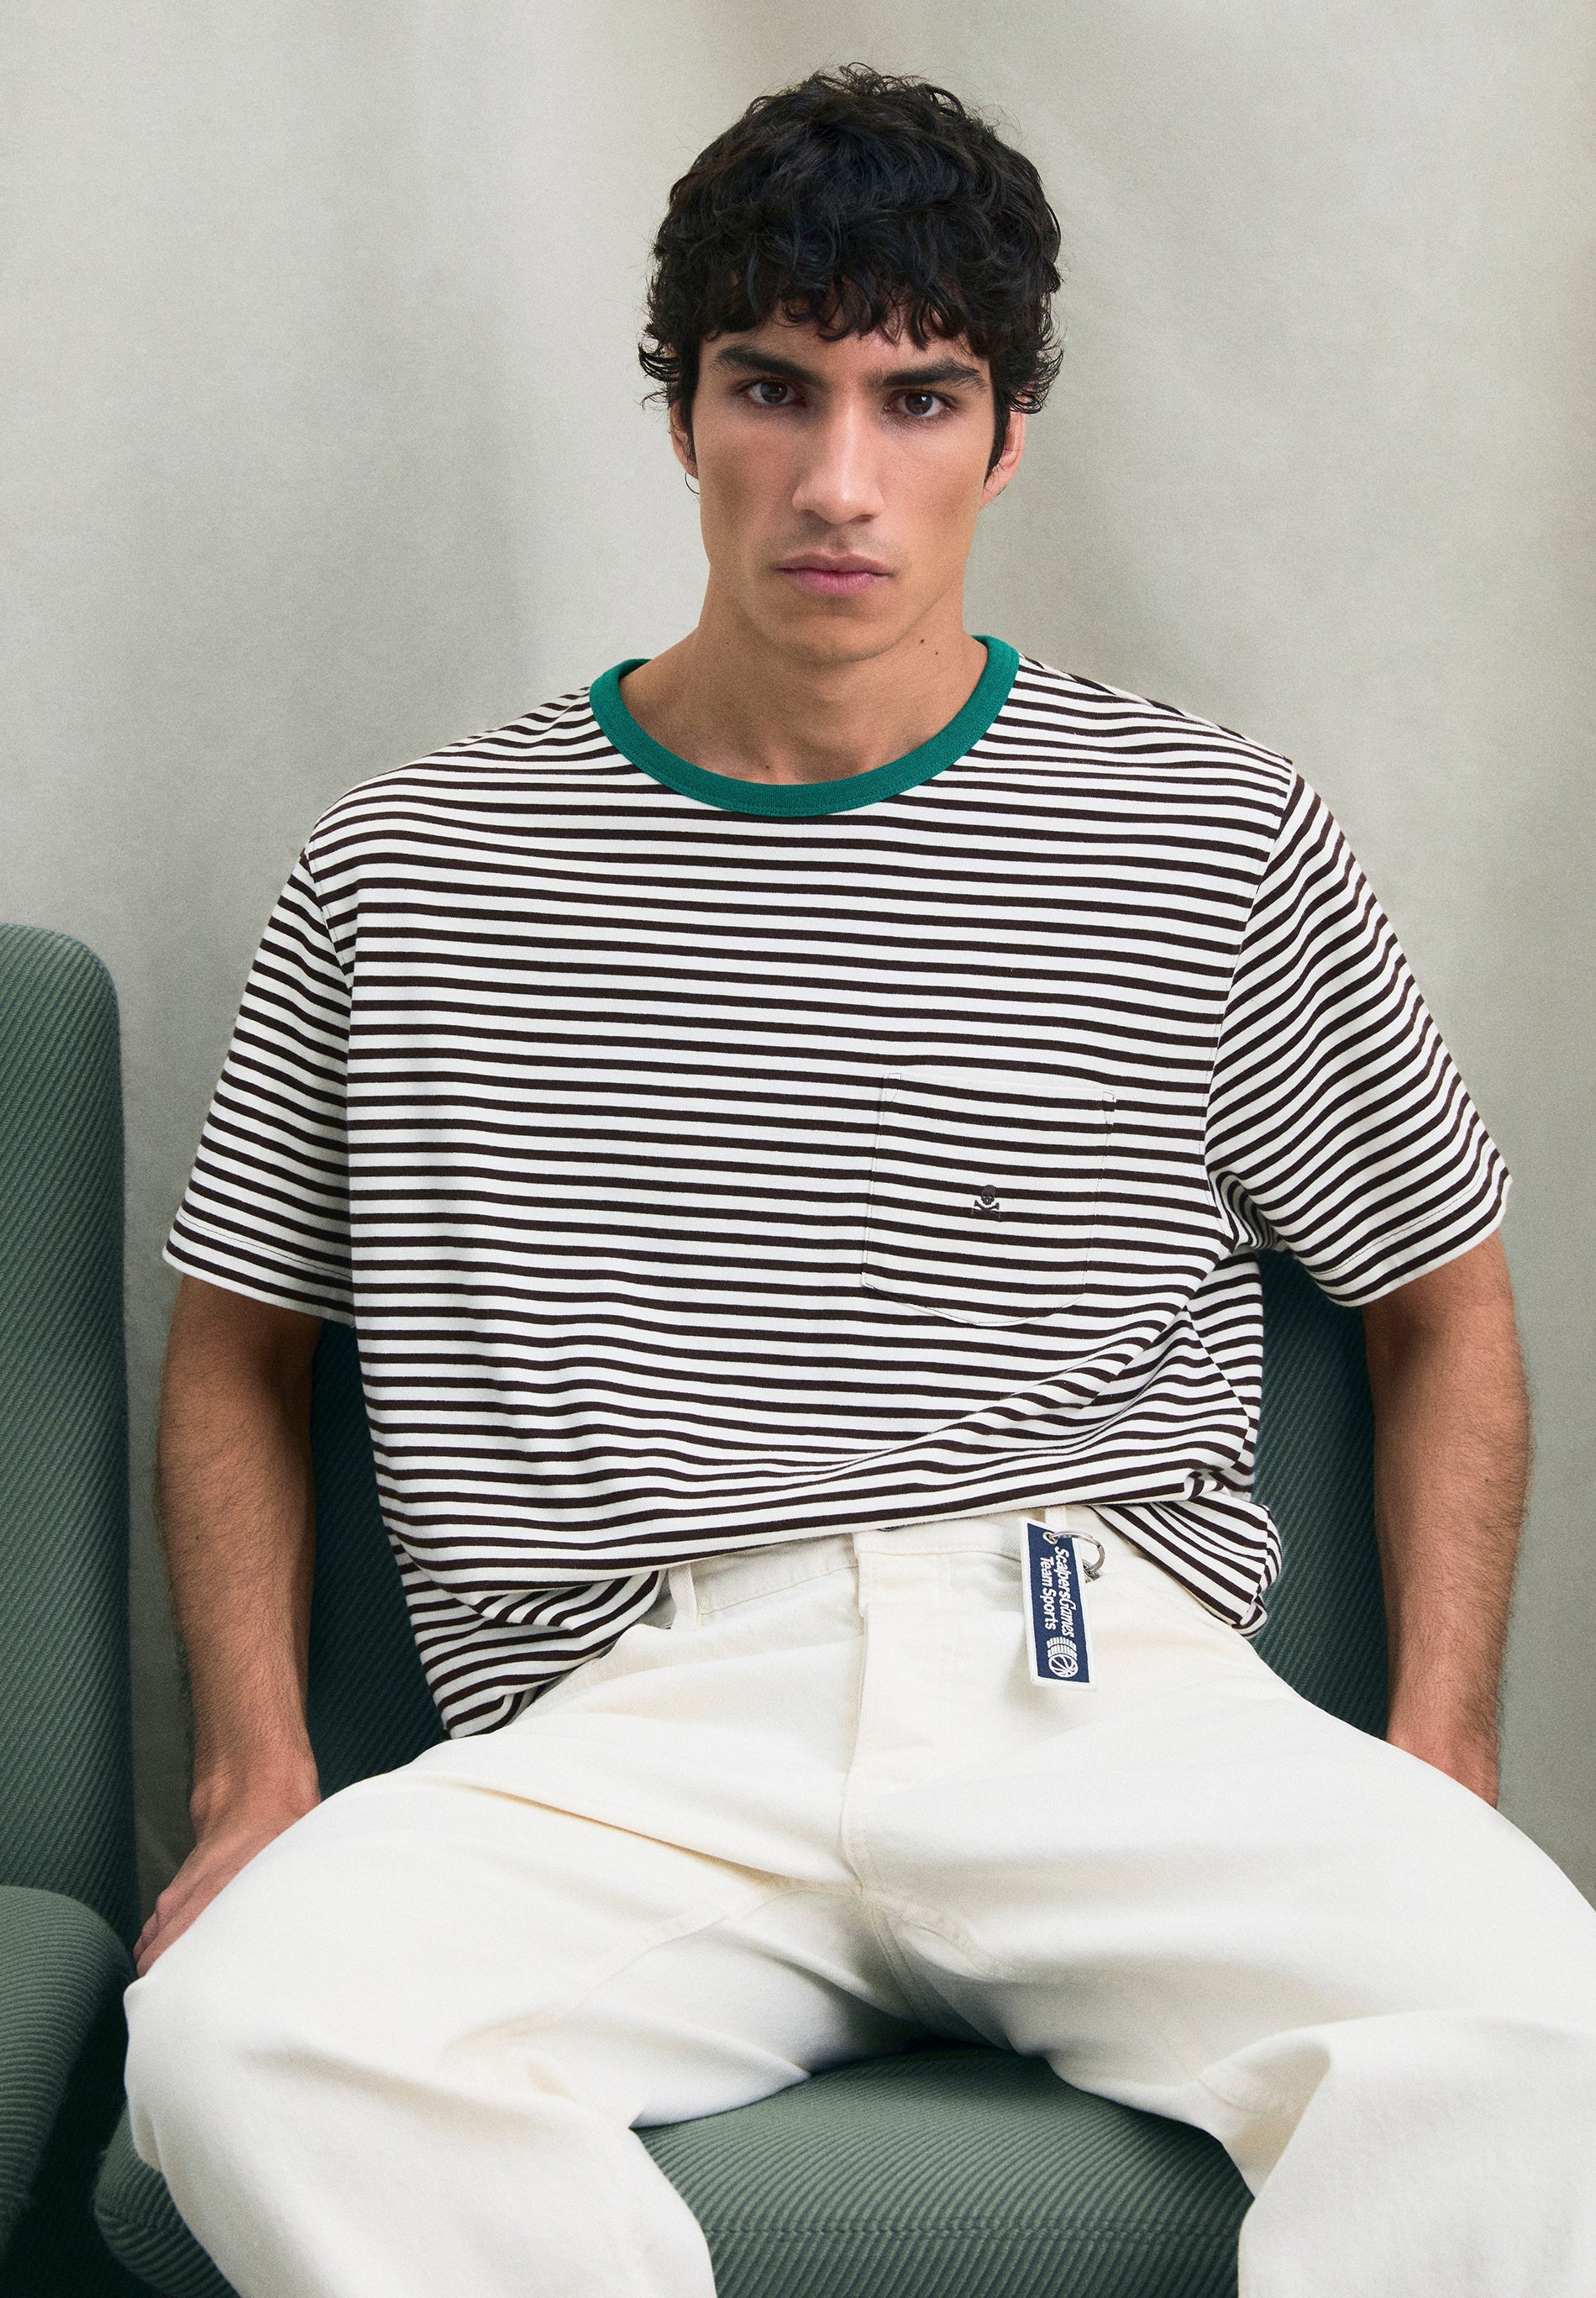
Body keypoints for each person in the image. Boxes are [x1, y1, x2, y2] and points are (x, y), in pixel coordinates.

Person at [124, 65, 1596, 2298]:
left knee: (1543, 2029)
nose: (838, 481)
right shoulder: (404, 868)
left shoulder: (1211, 831)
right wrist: (254, 1779)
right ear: (681, 414)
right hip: (621, 1719)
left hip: (1091, 1677)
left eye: (917, 400)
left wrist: (1440, 1755)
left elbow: (1441, 1299)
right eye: (771, 389)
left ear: (1008, 435)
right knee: (242, 2037)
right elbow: (238, 1346)